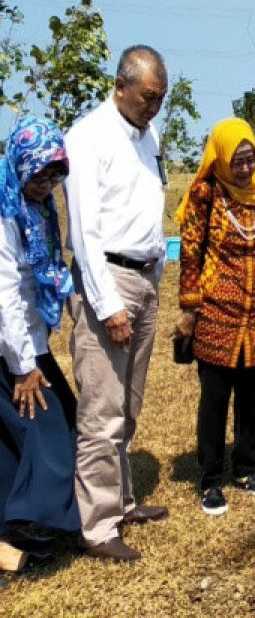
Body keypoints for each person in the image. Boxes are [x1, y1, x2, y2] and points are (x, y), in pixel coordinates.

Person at [64, 45, 170, 563]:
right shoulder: (87, 137)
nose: (155, 108)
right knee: (102, 410)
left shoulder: (149, 136)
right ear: (121, 85)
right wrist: (108, 305)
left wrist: (158, 276)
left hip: (146, 279)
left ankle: (123, 500)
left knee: (129, 404)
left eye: (161, 100)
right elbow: (83, 231)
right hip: (110, 278)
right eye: (149, 97)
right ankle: (98, 524)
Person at [174, 118, 255, 516]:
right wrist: (189, 309)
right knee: (215, 397)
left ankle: (245, 468)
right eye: (237, 160)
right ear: (222, 157)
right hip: (216, 311)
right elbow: (190, 252)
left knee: (252, 392)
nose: (244, 168)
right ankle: (210, 479)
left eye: (250, 159)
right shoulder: (205, 193)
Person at [0, 116, 80, 546]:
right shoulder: (5, 211)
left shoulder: (36, 208)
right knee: (51, 427)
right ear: (20, 163)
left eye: (56, 172)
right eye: (39, 171)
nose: (46, 181)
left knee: (20, 435)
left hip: (25, 341)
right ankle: (37, 525)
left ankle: (15, 531)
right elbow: (5, 293)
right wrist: (24, 366)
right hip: (12, 346)